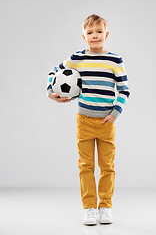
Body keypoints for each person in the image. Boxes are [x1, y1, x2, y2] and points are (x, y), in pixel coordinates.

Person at [47, 14, 130, 225]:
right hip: (83, 120)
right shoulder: (77, 58)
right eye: (90, 32)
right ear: (84, 36)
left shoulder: (115, 60)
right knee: (86, 165)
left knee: (107, 166)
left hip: (106, 123)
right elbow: (55, 70)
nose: (95, 36)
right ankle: (90, 208)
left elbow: (124, 90)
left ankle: (105, 207)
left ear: (106, 34)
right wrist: (51, 90)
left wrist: (114, 114)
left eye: (99, 31)